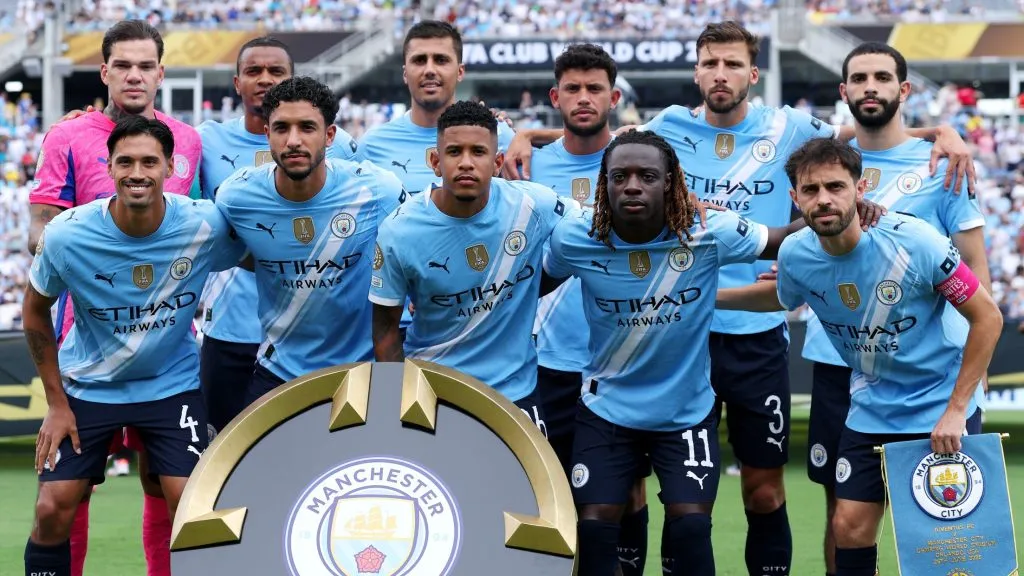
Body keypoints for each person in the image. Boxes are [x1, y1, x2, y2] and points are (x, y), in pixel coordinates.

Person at [503, 23, 972, 575]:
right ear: (696, 72)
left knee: (764, 489)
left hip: (755, 334)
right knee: (645, 493)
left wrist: (940, 130)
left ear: (752, 73)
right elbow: (595, 125)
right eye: (710, 63)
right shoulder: (666, 127)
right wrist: (525, 135)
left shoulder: (789, 126)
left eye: (731, 64)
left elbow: (867, 126)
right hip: (681, 341)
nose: (720, 74)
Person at [716, 137, 1002, 576]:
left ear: (860, 188)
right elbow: (782, 296)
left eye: (835, 186)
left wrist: (957, 409)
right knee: (848, 526)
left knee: (946, 546)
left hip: (940, 405)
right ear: (795, 198)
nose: (823, 199)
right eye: (810, 190)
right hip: (871, 406)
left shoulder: (916, 242)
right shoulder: (796, 253)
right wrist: (708, 298)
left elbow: (987, 317)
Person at [541, 129, 814, 576]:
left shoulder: (709, 231)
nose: (632, 186)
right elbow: (530, 287)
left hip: (685, 413)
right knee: (594, 524)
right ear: (604, 183)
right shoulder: (575, 238)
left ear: (670, 181)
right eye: (620, 176)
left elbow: (783, 236)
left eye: (647, 176)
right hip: (607, 410)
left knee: (690, 526)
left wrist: (848, 208)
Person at [798, 42, 991, 576]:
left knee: (942, 514)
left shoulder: (943, 165)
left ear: (903, 89)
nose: (871, 88)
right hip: (839, 361)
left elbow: (976, 268)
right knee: (844, 513)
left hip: (925, 371)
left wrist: (976, 370)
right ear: (844, 91)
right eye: (859, 79)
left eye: (882, 78)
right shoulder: (824, 161)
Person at [22, 116, 244, 576]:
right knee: (52, 508)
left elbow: (259, 255)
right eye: (125, 162)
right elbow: (34, 311)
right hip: (89, 386)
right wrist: (56, 404)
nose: (136, 173)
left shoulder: (204, 223)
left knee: (192, 506)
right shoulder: (67, 234)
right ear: (108, 167)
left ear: (170, 167)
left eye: (149, 162)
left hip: (171, 385)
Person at [28, 19, 203, 576]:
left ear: (161, 73)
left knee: (162, 485)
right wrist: (106, 258)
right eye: (122, 65)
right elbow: (41, 233)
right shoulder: (67, 136)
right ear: (103, 72)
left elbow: (198, 226)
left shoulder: (187, 140)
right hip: (88, 341)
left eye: (145, 66)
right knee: (69, 492)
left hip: (167, 345)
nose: (134, 75)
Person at [526, 43, 653, 575]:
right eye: (572, 89)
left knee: (628, 490)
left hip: (622, 358)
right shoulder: (528, 164)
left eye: (594, 88)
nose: (583, 98)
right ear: (554, 96)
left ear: (614, 97)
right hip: (549, 360)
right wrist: (520, 136)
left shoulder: (640, 163)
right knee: (551, 491)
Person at [196, 36, 360, 436]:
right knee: (225, 455)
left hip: (307, 338)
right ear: (237, 83)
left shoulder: (342, 147)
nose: (265, 79)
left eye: (276, 72)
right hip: (231, 328)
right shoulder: (204, 141)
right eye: (254, 71)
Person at [368, 100, 567, 429]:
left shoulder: (533, 205)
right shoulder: (398, 231)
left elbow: (589, 230)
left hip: (514, 393)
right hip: (432, 390)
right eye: (454, 152)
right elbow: (386, 329)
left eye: (478, 152)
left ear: (497, 162)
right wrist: (400, 402)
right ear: (435, 162)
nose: (465, 163)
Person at [214, 76, 403, 401]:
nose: (293, 141)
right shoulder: (236, 198)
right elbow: (233, 256)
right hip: (279, 372)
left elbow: (415, 247)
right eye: (282, 128)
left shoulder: (376, 190)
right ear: (267, 134)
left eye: (307, 128)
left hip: (360, 373)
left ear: (329, 135)